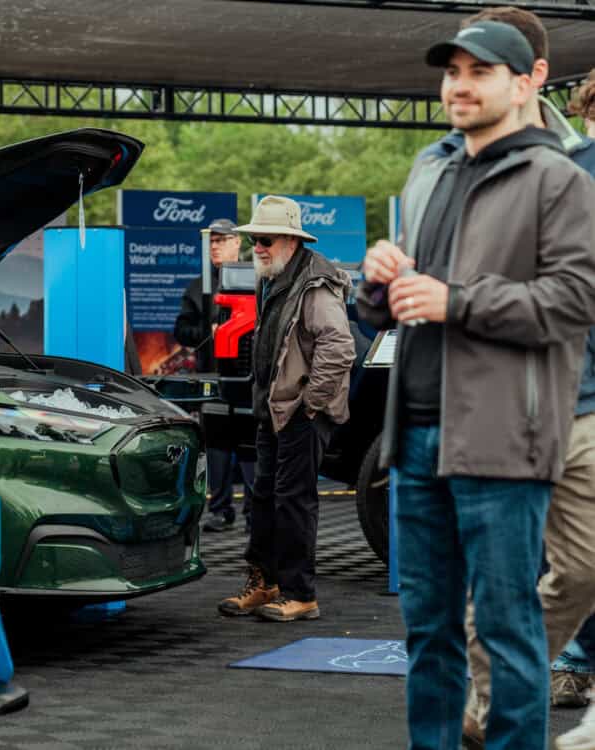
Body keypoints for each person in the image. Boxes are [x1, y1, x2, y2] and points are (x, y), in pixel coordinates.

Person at [357, 20, 595, 749]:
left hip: (503, 439)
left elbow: (574, 299)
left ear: (524, 85)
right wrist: (375, 286)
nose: (459, 84)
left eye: (480, 71)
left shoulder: (558, 176)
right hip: (415, 436)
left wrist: (457, 300)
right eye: (451, 70)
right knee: (428, 632)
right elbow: (395, 306)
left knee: (507, 627)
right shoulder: (429, 166)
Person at [217, 195, 354, 622]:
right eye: (254, 239)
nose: (257, 246)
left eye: (265, 239)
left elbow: (339, 346)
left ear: (291, 241)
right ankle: (266, 583)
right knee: (263, 500)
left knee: (293, 502)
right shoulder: (274, 278)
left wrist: (309, 404)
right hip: (273, 410)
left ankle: (300, 593)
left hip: (299, 413)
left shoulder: (315, 282)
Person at [174, 218, 248, 531]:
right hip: (213, 378)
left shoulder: (255, 280)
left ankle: (255, 515)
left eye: (221, 240)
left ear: (237, 243)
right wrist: (208, 330)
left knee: (249, 444)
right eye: (211, 241)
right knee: (217, 445)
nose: (215, 246)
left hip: (247, 378)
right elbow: (182, 330)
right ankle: (220, 509)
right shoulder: (197, 286)